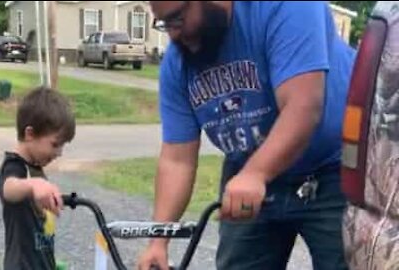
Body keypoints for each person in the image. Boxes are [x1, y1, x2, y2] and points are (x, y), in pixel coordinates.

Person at [138, 1, 356, 269]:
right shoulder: (177, 64)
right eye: (164, 23)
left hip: (337, 168)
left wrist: (256, 173)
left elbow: (303, 107)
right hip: (248, 172)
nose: (173, 34)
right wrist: (158, 241)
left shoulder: (286, 6)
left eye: (178, 18)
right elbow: (177, 159)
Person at [0, 87, 76, 270]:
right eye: (55, 144)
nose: (59, 153)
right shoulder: (15, 166)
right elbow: (9, 189)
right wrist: (33, 184)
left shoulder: (36, 167)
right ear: (30, 134)